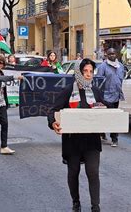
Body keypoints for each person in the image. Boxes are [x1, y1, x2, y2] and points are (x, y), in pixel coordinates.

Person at [48, 59, 108, 212]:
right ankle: (76, 202)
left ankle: (96, 206)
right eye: (85, 71)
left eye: (91, 71)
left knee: (93, 172)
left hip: (92, 141)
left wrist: (105, 109)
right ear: (78, 73)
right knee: (73, 172)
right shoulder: (68, 90)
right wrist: (53, 122)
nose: (88, 75)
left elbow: (105, 110)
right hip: (72, 141)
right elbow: (52, 110)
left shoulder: (96, 91)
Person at [96, 47, 126, 147]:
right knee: (110, 116)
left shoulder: (120, 66)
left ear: (116, 54)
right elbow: (99, 82)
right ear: (106, 55)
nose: (112, 55)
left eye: (113, 54)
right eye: (110, 54)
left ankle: (110, 136)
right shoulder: (102, 67)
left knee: (113, 116)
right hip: (106, 96)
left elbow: (121, 80)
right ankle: (110, 136)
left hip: (117, 96)